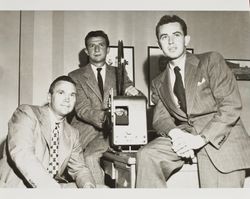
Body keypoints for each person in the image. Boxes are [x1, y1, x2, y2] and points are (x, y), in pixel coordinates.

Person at [136, 14, 250, 188]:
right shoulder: (158, 82)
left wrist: (199, 140)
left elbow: (230, 106)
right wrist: (178, 136)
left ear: (186, 39)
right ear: (159, 44)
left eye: (176, 35)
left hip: (220, 137)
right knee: (146, 155)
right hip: (184, 134)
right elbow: (160, 118)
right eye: (164, 37)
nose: (171, 42)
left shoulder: (210, 60)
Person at [68, 30, 141, 185]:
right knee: (79, 163)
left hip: (111, 133)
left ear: (108, 49)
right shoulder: (75, 76)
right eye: (92, 46)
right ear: (86, 51)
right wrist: (109, 117)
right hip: (85, 132)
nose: (96, 49)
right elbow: (82, 109)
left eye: (101, 45)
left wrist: (135, 94)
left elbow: (135, 98)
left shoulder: (119, 72)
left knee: (91, 158)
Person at [0, 76, 96, 188]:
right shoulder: (26, 113)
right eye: (61, 93)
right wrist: (51, 188)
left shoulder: (73, 133)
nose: (67, 99)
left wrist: (88, 186)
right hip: (17, 187)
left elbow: (79, 168)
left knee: (102, 190)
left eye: (72, 95)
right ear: (49, 97)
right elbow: (23, 154)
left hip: (51, 187)